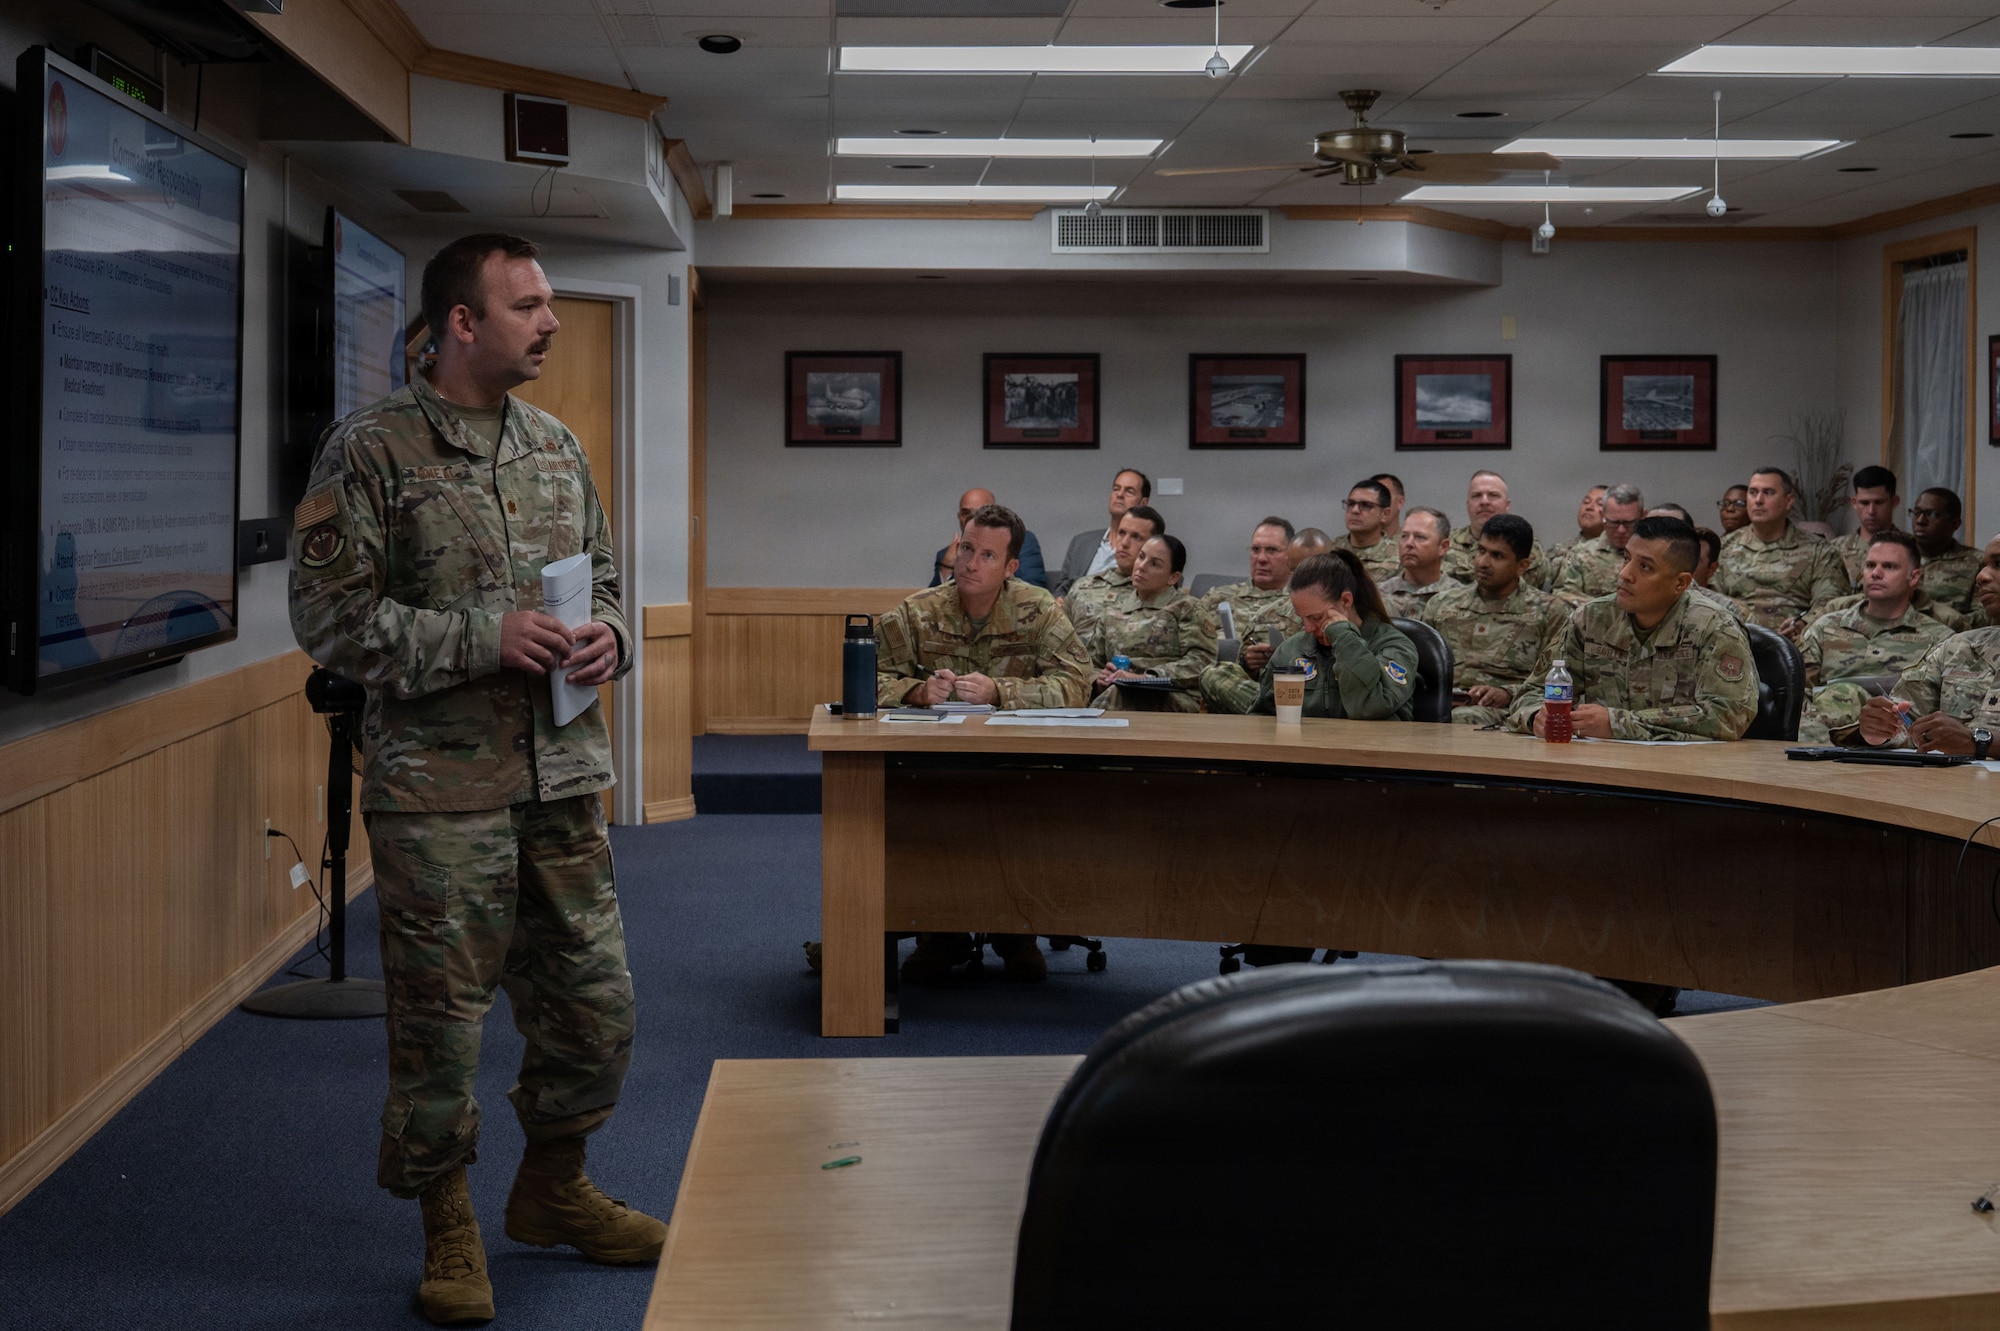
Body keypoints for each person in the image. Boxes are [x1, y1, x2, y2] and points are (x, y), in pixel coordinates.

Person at [289, 232, 660, 1325]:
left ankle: (553, 1188)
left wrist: (612, 639)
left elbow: (601, 579)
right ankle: (446, 1217)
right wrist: (480, 638)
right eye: (528, 304)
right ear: (463, 321)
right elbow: (330, 619)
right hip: (438, 794)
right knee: (440, 1024)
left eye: (549, 301)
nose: (549, 321)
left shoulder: (556, 443)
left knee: (597, 1011)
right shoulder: (369, 450)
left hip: (560, 779)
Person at [875, 503, 1093, 983]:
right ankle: (938, 933)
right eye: (965, 548)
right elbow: (866, 678)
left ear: (1011, 567)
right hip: (933, 765)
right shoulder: (917, 611)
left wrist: (1003, 692)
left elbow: (1078, 683)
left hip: (1018, 765)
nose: (970, 563)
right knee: (925, 816)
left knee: (1025, 816)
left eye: (987, 556)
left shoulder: (1038, 610)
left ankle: (1017, 932)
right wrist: (915, 691)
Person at [1508, 516, 1758, 742]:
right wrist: (1536, 717)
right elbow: (1532, 692)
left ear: (1680, 583)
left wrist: (1620, 723)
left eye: (1645, 567)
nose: (1625, 574)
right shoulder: (1590, 619)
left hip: (1686, 773)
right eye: (1626, 558)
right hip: (1597, 768)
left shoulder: (1715, 627)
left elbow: (1729, 714)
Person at [1797, 532, 1953, 743]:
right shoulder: (1826, 627)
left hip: (1899, 742)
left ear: (1914, 577)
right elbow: (1798, 694)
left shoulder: (1940, 639)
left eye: (1889, 567)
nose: (1876, 573)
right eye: (1870, 565)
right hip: (1823, 737)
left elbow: (1942, 713)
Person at [1855, 535, 2000, 753]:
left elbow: (1972, 742)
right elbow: (1906, 723)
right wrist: (1878, 731)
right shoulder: (1958, 648)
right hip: (1947, 785)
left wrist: (1981, 743)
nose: (1980, 576)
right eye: (1982, 566)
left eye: (1998, 564)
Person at [1422, 514, 1567, 728]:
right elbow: (1420, 668)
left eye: (1497, 556)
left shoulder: (1549, 611)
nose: (1483, 562)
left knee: (1464, 718)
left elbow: (1558, 681)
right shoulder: (1442, 604)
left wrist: (1507, 693)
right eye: (1481, 551)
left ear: (1522, 566)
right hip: (1442, 702)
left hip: (1507, 712)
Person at [1251, 551, 1419, 720]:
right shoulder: (1291, 650)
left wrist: (1343, 635)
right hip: (1305, 744)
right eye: (1302, 618)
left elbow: (1368, 707)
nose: (1308, 628)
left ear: (1346, 601)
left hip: (1372, 745)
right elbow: (1260, 715)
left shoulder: (1395, 646)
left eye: (1316, 617)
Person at [1074, 534, 1214, 713]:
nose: (1141, 566)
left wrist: (1145, 677)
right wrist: (1099, 680)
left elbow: (1202, 662)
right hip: (1116, 691)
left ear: (1173, 577)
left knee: (1119, 695)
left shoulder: (1187, 608)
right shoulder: (1113, 612)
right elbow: (1091, 663)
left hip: (1172, 694)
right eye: (1141, 557)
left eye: (1154, 563)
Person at [1711, 466, 1847, 639]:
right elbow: (1711, 597)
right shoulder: (1725, 547)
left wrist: (1804, 623)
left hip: (1797, 641)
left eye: (1768, 493)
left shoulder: (1819, 550)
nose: (1758, 500)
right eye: (1753, 492)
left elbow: (1830, 602)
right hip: (1735, 639)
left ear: (1789, 501)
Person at [1198, 517, 1303, 714]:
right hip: (1222, 693)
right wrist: (1246, 664)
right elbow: (1197, 656)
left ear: (1291, 556)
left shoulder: (1300, 601)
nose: (1261, 558)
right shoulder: (1217, 598)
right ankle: (1269, 710)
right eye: (1256, 550)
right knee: (1214, 675)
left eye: (1272, 550)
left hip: (1283, 687)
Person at [1443, 470, 1549, 588]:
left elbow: (1509, 588)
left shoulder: (1526, 546)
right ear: (1468, 505)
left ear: (1507, 505)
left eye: (1493, 495)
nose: (1484, 501)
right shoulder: (1445, 544)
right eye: (1477, 496)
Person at [1054, 468, 1149, 597]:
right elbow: (1062, 588)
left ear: (1143, 503)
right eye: (1116, 489)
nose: (1120, 495)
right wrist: (1060, 600)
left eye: (1129, 491)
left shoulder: (1149, 547)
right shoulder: (1080, 543)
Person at [1065, 504, 1165, 624]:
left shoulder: (1163, 595)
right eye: (1121, 533)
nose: (1124, 543)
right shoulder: (1082, 586)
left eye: (1136, 537)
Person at [930, 487, 1046, 590]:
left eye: (980, 511)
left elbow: (1033, 588)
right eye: (966, 512)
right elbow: (931, 606)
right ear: (959, 517)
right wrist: (946, 567)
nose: (972, 517)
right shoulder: (945, 555)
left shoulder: (1022, 542)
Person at [1551, 483, 1643, 608]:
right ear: (1603, 517)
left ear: (1642, 516)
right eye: (1614, 523)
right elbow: (1564, 593)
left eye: (1628, 523)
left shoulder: (1653, 553)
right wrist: (1608, 608)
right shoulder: (1581, 554)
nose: (1621, 530)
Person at [1377, 507, 1459, 619]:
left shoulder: (1459, 597)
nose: (1409, 543)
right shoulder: (1377, 595)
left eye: (1420, 537)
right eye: (1404, 536)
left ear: (1443, 547)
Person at [1910, 486, 1981, 616]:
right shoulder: (1894, 554)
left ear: (1954, 523)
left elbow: (1985, 618)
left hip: (1952, 634)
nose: (1920, 521)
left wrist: (1936, 619)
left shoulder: (1977, 562)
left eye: (1932, 514)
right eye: (1916, 513)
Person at [1831, 466, 1902, 591]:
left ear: (1894, 501)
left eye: (1879, 503)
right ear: (1854, 503)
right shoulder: (1833, 550)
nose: (1871, 511)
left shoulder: (1910, 548)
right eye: (1864, 503)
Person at [1331, 478, 1401, 579]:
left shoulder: (1399, 556)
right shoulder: (1329, 551)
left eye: (1366, 505)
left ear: (1385, 514)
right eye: (1351, 504)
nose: (1355, 510)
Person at [1546, 485, 1607, 588]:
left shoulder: (1619, 555)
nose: (1589, 507)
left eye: (1599, 504)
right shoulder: (1559, 551)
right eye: (1586, 502)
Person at [1370, 472, 1406, 537]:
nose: (1376, 502)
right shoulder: (1349, 544)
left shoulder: (1410, 544)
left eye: (1384, 496)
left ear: (1400, 502)